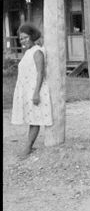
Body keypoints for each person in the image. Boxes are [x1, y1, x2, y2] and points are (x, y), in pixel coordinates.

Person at [11, 22, 53, 159]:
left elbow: (41, 73)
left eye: (25, 37)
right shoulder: (28, 52)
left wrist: (36, 93)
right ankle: (28, 145)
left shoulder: (37, 52)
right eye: (21, 38)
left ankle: (28, 147)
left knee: (35, 118)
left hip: (35, 89)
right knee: (31, 118)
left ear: (32, 36)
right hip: (27, 89)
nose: (23, 41)